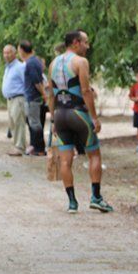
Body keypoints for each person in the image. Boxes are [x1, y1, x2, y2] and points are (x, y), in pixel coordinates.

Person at [47, 29, 113, 214]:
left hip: (60, 115)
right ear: (75, 43)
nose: (87, 46)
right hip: (78, 114)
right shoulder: (80, 62)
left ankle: (72, 203)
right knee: (94, 155)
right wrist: (94, 117)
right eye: (85, 42)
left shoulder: (53, 63)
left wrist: (53, 120)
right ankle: (96, 198)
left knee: (66, 161)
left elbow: (51, 95)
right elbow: (85, 91)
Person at [19, 40, 47, 155]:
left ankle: (39, 148)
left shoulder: (31, 63)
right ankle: (34, 146)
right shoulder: (35, 61)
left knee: (34, 123)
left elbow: (37, 82)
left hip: (32, 97)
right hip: (32, 97)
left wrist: (44, 94)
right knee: (32, 121)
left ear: (21, 50)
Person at [2, 44, 28, 156]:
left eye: (9, 52)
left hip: (18, 98)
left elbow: (26, 83)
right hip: (10, 99)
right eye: (5, 53)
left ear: (14, 53)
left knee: (19, 123)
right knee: (12, 123)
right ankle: (16, 145)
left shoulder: (20, 67)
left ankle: (20, 147)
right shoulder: (8, 67)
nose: (6, 55)